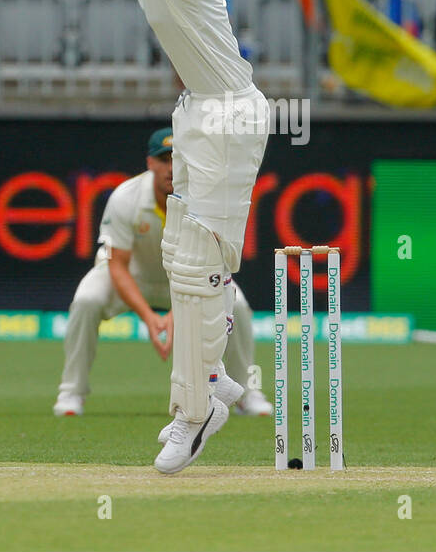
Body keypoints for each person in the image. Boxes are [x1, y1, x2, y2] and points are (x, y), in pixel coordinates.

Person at [43, 0, 270, 474]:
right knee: (179, 259)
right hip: (199, 109)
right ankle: (211, 382)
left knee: (205, 266)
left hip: (230, 109)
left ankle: (198, 418)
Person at [54, 127, 273, 419]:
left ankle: (248, 393)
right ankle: (71, 393)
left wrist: (177, 313)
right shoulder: (126, 197)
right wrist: (149, 318)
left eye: (178, 159)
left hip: (190, 277)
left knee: (239, 305)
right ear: (149, 163)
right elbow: (117, 264)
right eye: (163, 159)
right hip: (134, 277)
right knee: (86, 300)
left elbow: (215, 262)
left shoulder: (206, 199)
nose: (171, 168)